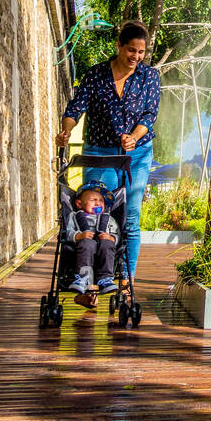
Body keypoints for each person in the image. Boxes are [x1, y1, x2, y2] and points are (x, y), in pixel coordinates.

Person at [56, 21, 160, 282]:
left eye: (141, 52)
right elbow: (74, 109)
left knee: (130, 216)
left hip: (135, 155)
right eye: (131, 50)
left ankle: (127, 279)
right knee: (95, 214)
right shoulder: (95, 75)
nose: (135, 57)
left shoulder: (149, 77)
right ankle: (89, 278)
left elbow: (150, 114)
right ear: (119, 46)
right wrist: (66, 131)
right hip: (99, 154)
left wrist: (134, 137)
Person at [65, 184, 119, 304]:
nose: (98, 203)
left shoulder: (109, 219)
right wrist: (78, 236)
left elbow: (117, 233)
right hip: (84, 246)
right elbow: (67, 232)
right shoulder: (74, 217)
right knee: (87, 244)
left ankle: (106, 279)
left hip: (103, 246)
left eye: (101, 200)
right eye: (93, 200)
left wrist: (112, 238)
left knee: (107, 244)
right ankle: (83, 278)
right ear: (79, 204)